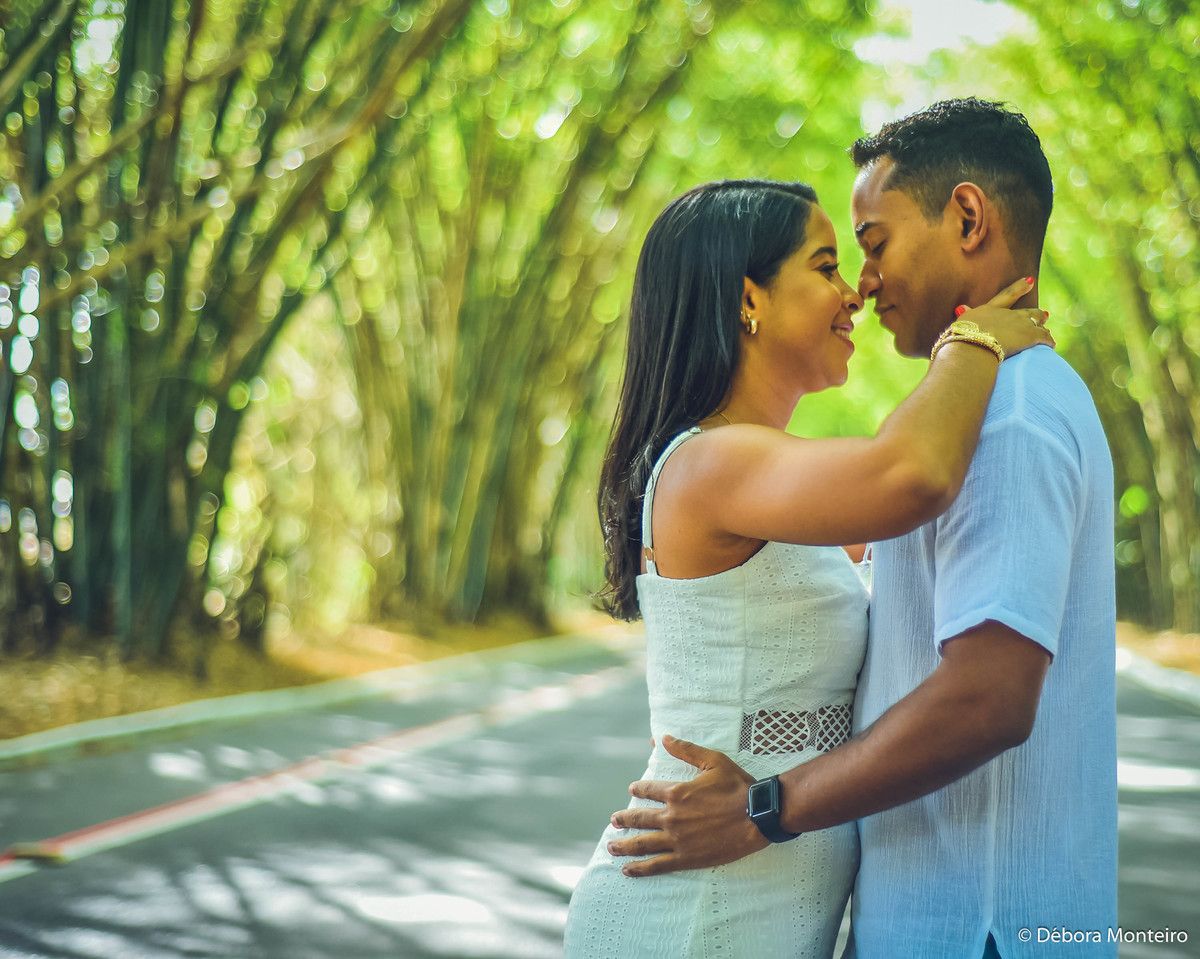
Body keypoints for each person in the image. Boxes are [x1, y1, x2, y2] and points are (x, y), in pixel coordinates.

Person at [604, 100, 1117, 958]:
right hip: (712, 912)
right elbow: (903, 476)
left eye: (869, 247)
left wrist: (771, 806)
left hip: (974, 924)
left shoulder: (1007, 417)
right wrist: (975, 337)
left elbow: (987, 694)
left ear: (967, 217)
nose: (860, 285)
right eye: (833, 263)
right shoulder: (731, 463)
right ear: (748, 303)